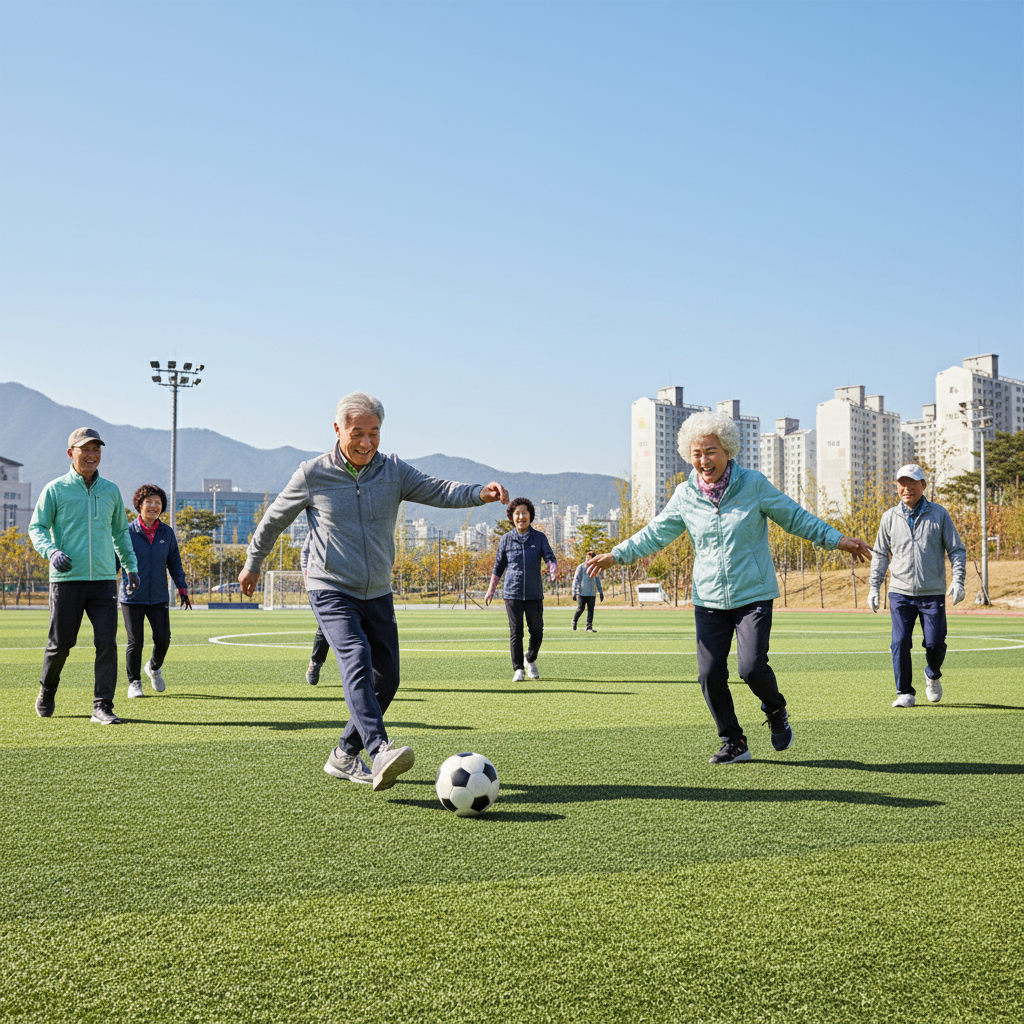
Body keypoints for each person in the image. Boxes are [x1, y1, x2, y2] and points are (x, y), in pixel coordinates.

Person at [239, 392, 508, 790]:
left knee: (389, 679)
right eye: (357, 433)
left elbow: (438, 489)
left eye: (374, 433)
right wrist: (252, 562)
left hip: (377, 590)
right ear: (338, 430)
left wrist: (478, 493)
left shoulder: (394, 471)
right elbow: (273, 520)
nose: (366, 442)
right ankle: (378, 749)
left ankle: (343, 754)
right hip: (330, 586)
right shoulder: (312, 474)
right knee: (356, 656)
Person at [586, 410, 873, 764]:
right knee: (709, 674)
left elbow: (794, 516)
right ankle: (734, 740)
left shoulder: (753, 484)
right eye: (696, 453)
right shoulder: (685, 494)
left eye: (711, 451)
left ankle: (775, 709)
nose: (703, 461)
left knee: (750, 668)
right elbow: (655, 533)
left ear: (727, 451)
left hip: (752, 593)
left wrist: (837, 539)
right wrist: (615, 555)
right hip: (708, 599)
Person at [29, 428, 140, 724]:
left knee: (107, 643)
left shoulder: (111, 490)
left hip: (104, 580)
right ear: (71, 453)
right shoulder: (55, 489)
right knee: (61, 644)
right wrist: (51, 552)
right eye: (85, 449)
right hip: (66, 581)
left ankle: (102, 705)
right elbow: (36, 528)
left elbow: (120, 533)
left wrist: (131, 567)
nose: (92, 454)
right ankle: (47, 689)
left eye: (97, 449)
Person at [867, 464, 966, 707]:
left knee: (935, 642)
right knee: (899, 641)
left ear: (923, 485)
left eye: (912, 482)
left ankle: (932, 674)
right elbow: (880, 554)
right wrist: (874, 586)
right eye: (902, 483)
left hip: (932, 592)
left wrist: (959, 579)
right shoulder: (889, 517)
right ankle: (905, 693)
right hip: (899, 592)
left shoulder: (939, 514)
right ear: (897, 487)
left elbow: (956, 549)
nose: (906, 488)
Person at [120, 484, 191, 699]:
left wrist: (182, 588)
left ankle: (153, 667)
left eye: (158, 503)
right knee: (136, 641)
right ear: (139, 505)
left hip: (159, 595)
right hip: (132, 597)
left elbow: (175, 563)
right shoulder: (126, 532)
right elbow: (115, 561)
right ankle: (134, 682)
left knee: (163, 639)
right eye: (149, 502)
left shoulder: (166, 532)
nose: (154, 506)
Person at [484, 498, 557, 682]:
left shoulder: (539, 538)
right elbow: (498, 567)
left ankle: (530, 659)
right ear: (512, 517)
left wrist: (552, 568)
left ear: (530, 515)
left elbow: (549, 556)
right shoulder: (506, 539)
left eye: (524, 513)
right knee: (516, 632)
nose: (521, 516)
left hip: (534, 593)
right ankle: (518, 669)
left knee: (537, 630)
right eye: (517, 513)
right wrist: (491, 590)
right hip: (512, 593)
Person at [301, 530, 331, 685]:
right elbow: (305, 552)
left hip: (357, 583)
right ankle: (316, 662)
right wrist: (308, 580)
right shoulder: (320, 526)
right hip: (325, 585)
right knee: (326, 624)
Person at [571, 550, 604, 632]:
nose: (588, 560)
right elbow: (576, 580)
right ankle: (574, 620)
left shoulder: (595, 568)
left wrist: (600, 592)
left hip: (592, 593)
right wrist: (574, 592)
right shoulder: (581, 567)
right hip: (582, 593)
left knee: (591, 610)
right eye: (587, 558)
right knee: (580, 609)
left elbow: (597, 580)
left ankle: (589, 626)